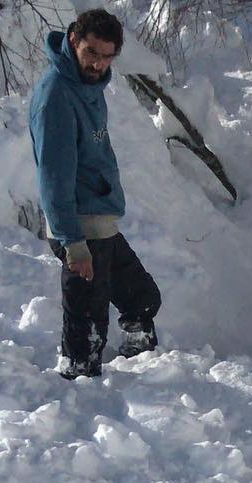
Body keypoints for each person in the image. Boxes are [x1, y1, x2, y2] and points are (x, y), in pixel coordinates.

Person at [29, 9, 161, 379]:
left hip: (99, 221)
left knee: (141, 298)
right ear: (74, 40)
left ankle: (143, 368)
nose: (98, 64)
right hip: (79, 229)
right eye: (91, 53)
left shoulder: (87, 84)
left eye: (107, 57)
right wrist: (74, 245)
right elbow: (53, 177)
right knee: (85, 337)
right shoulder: (57, 96)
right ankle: (80, 404)